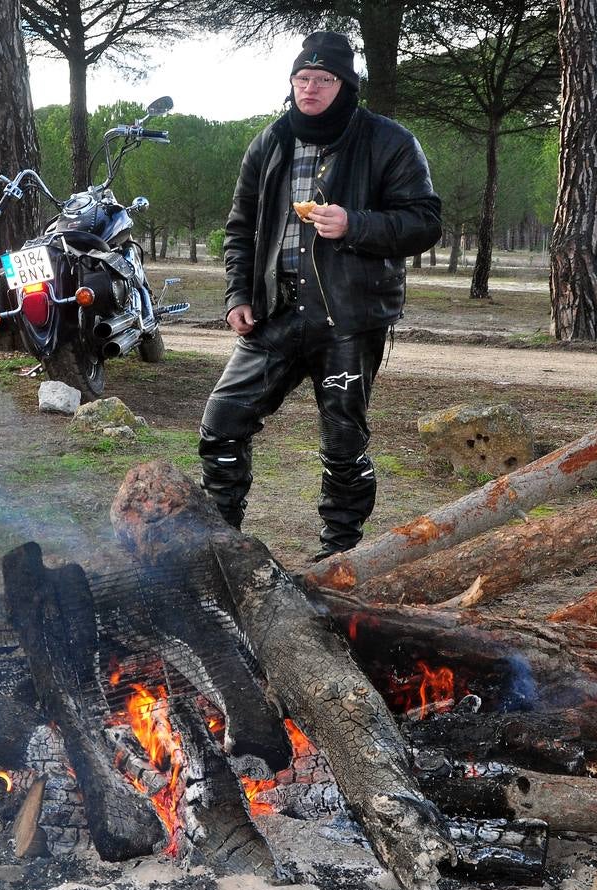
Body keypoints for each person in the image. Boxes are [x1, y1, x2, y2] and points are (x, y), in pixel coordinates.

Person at [198, 31, 441, 561]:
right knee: (222, 422)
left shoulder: (387, 140)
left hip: (348, 318)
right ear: (291, 83)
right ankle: (220, 547)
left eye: (323, 78)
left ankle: (338, 559)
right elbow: (241, 227)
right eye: (302, 78)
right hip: (276, 311)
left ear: (345, 84)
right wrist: (239, 292)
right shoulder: (271, 141)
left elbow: (425, 223)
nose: (310, 88)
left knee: (343, 446)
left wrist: (356, 224)